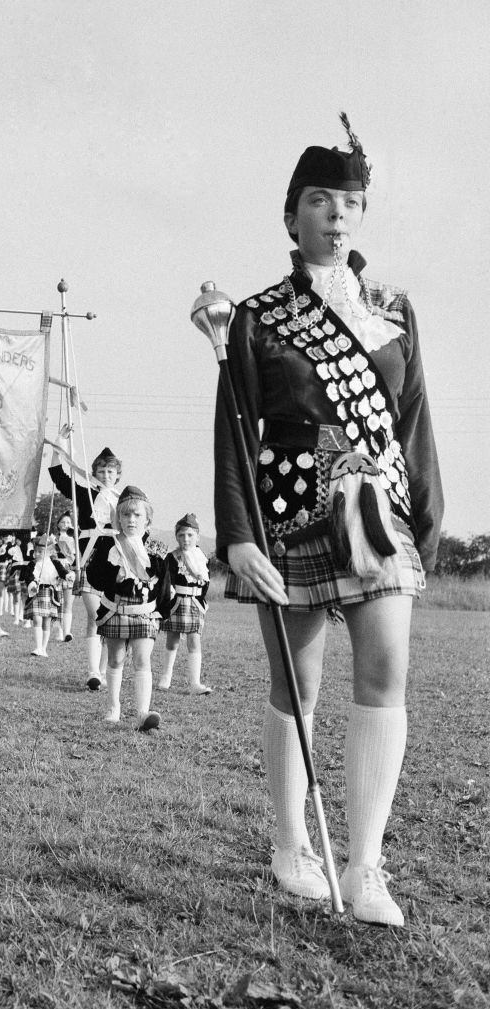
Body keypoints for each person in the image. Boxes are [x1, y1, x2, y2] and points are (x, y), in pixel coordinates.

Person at [214, 117, 443, 927]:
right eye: (320, 200)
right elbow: (236, 432)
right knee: (297, 682)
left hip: (379, 511)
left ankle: (367, 864)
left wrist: (427, 514)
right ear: (292, 215)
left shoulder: (395, 308)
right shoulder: (256, 317)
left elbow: (412, 419)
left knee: (384, 675)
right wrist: (239, 536)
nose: (336, 215)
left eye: (349, 201)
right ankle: (290, 845)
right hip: (289, 505)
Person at [86, 485, 172, 730]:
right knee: (116, 659)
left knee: (143, 660)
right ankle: (114, 708)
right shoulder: (106, 545)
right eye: (125, 514)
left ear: (147, 519)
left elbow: (164, 584)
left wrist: (161, 612)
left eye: (137, 515)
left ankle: (143, 714)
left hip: (145, 613)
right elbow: (95, 578)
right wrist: (114, 578)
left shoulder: (156, 548)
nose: (131, 520)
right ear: (118, 517)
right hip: (115, 610)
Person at [49, 436, 123, 690]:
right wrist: (61, 444)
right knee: (95, 616)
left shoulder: (125, 500)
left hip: (116, 562)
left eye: (110, 471)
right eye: (101, 470)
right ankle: (92, 671)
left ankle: (103, 671)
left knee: (110, 620)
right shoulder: (85, 494)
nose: (105, 475)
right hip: (90, 561)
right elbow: (58, 476)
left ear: (117, 474)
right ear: (94, 472)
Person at [158, 513, 211, 694]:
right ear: (176, 537)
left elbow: (206, 582)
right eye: (181, 535)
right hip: (176, 602)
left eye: (190, 535)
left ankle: (194, 682)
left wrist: (203, 601)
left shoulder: (202, 557)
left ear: (197, 536)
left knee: (194, 641)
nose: (185, 539)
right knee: (172, 640)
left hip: (195, 602)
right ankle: (166, 677)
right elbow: (165, 582)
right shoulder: (172, 557)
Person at [22, 535, 74, 657]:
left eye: (40, 552)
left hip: (50, 594)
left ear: (49, 552)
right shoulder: (32, 564)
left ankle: (43, 649)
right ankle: (38, 647)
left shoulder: (55, 563)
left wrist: (68, 576)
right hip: (37, 593)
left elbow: (63, 572)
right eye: (36, 551)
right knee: (37, 618)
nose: (37, 554)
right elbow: (27, 576)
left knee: (46, 621)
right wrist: (32, 583)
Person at [52, 512, 78, 642]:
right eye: (63, 522)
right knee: (56, 602)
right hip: (56, 570)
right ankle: (59, 630)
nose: (66, 525)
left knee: (68, 603)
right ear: (58, 525)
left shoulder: (75, 540)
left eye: (68, 522)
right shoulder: (53, 539)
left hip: (70, 570)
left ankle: (67, 632)